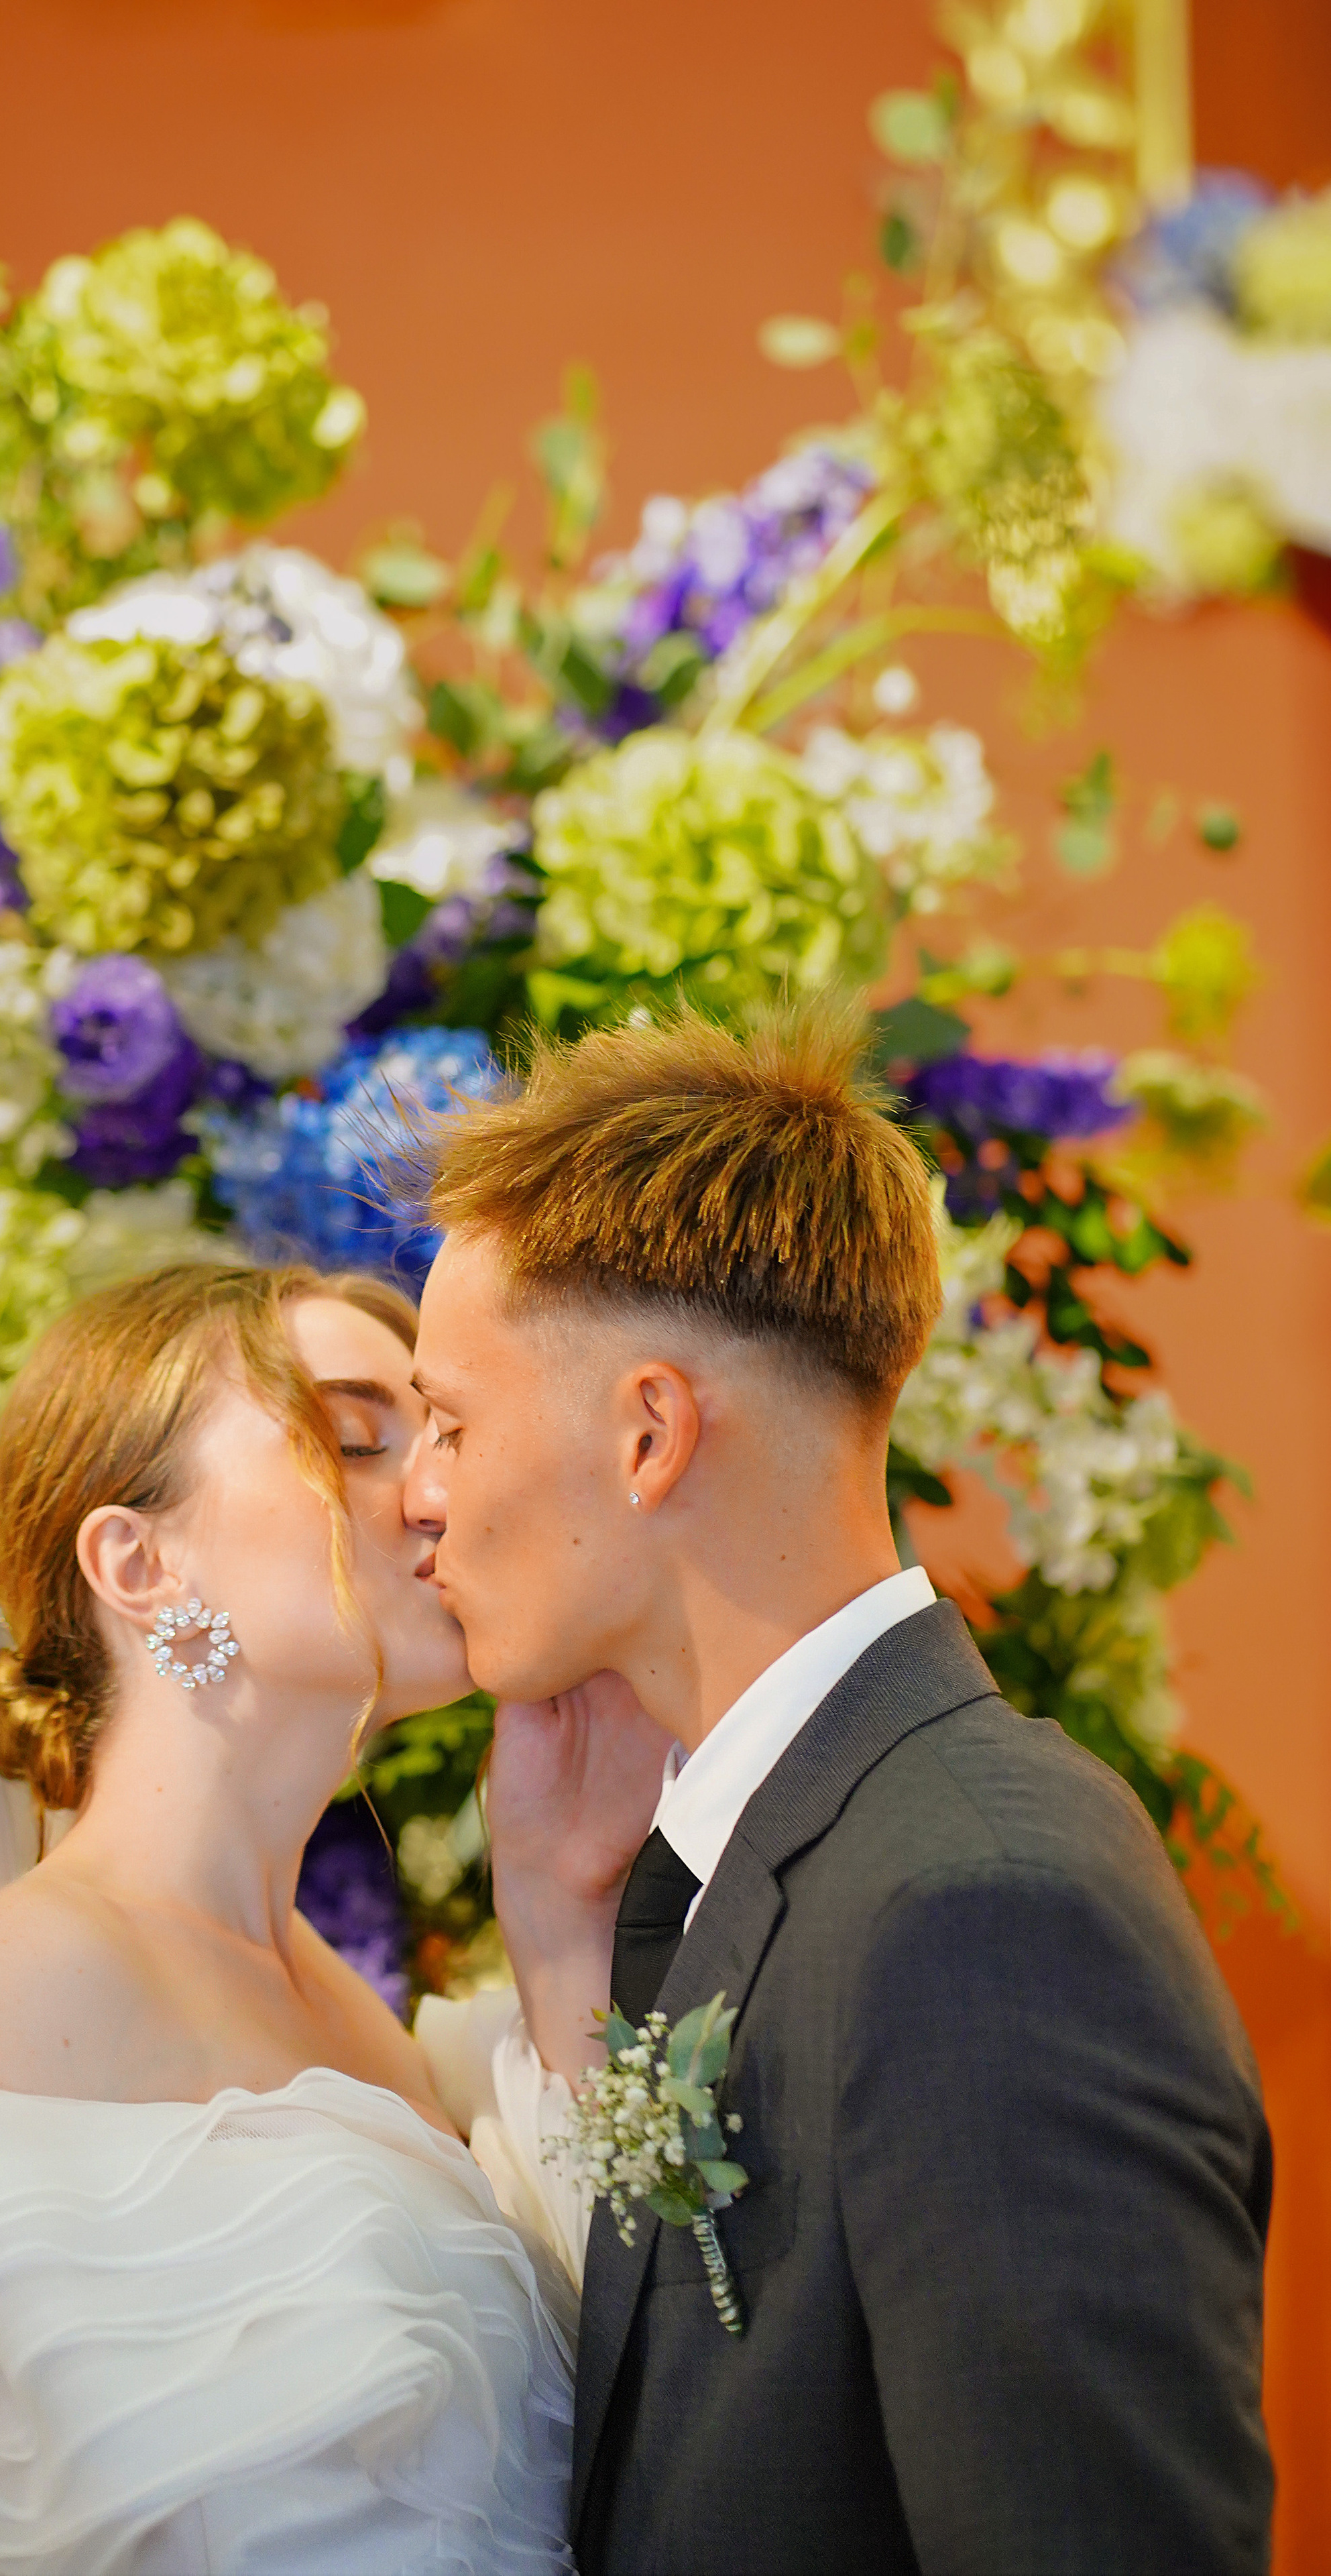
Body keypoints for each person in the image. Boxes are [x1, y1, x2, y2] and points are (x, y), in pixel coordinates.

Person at [404, 1003, 1274, 2576]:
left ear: (649, 1433)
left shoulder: (981, 1908)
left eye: (450, 1423)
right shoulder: (778, 1847)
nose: (420, 1495)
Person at [0, 1261, 575, 2575]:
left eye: (440, 1438)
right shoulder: (38, 1973)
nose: (438, 1491)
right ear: (139, 1561)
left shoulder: (347, 1999)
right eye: (356, 1438)